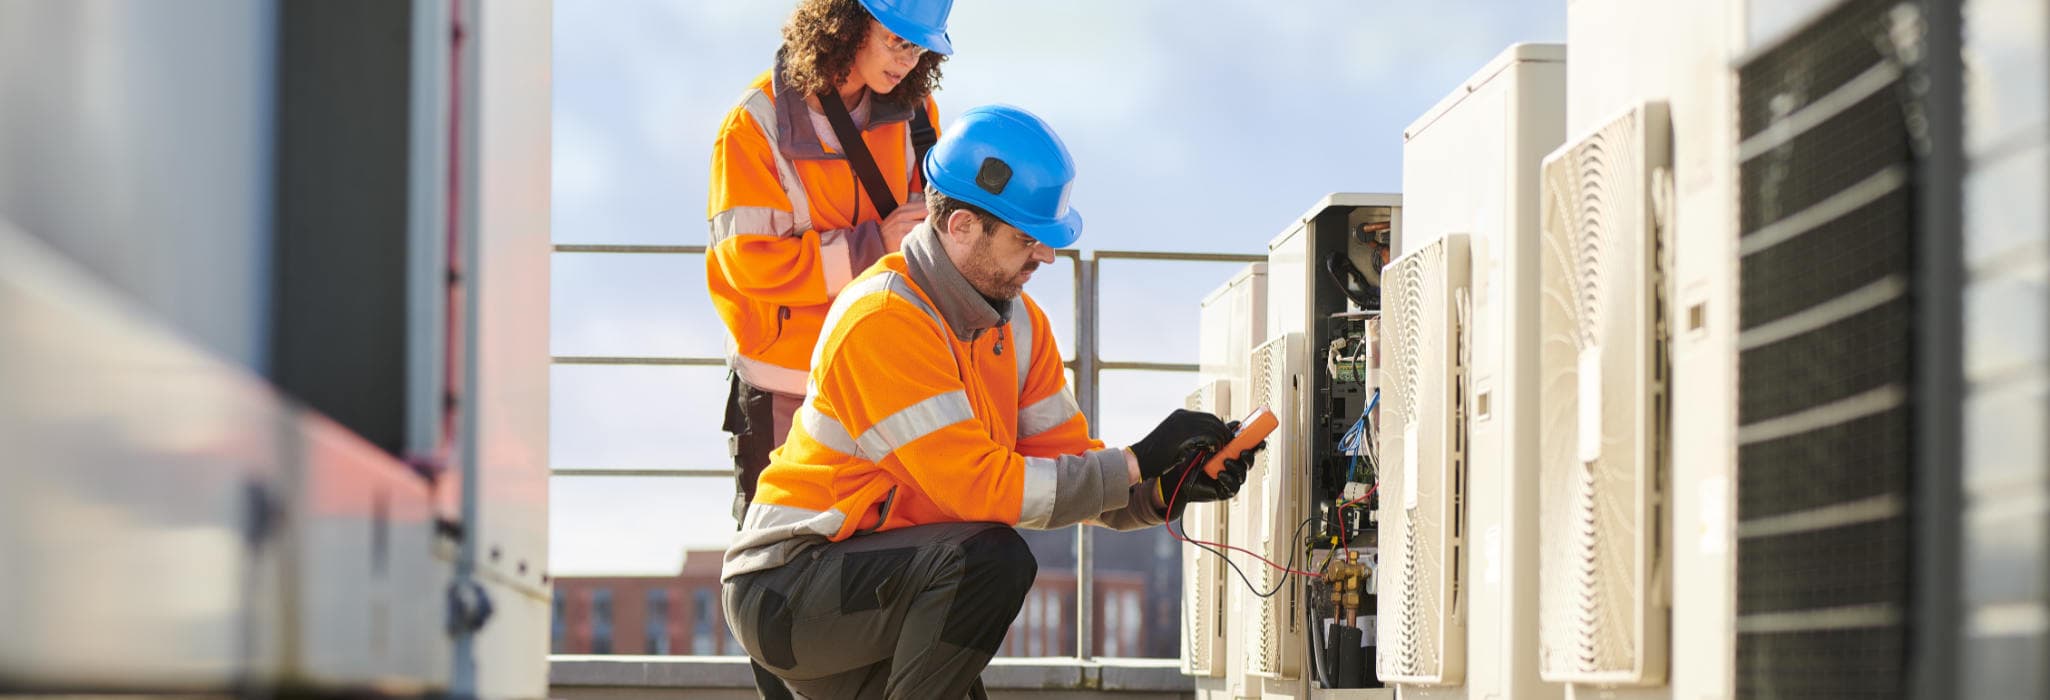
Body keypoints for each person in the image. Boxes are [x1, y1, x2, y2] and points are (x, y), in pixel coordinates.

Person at [721, 104, 1262, 698]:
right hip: (791, 590)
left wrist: (1163, 487)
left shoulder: (1021, 326)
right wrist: (1135, 459)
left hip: (886, 580)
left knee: (980, 567)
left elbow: (1070, 466)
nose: (1046, 256)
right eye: (1026, 238)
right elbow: (979, 489)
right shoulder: (882, 320)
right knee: (991, 561)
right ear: (960, 228)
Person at [708, 0, 956, 523]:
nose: (909, 60)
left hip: (880, 378)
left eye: (921, 47)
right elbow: (749, 265)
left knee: (880, 562)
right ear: (846, 23)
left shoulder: (917, 111)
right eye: (898, 40)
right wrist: (873, 245)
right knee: (777, 566)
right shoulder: (753, 125)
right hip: (785, 387)